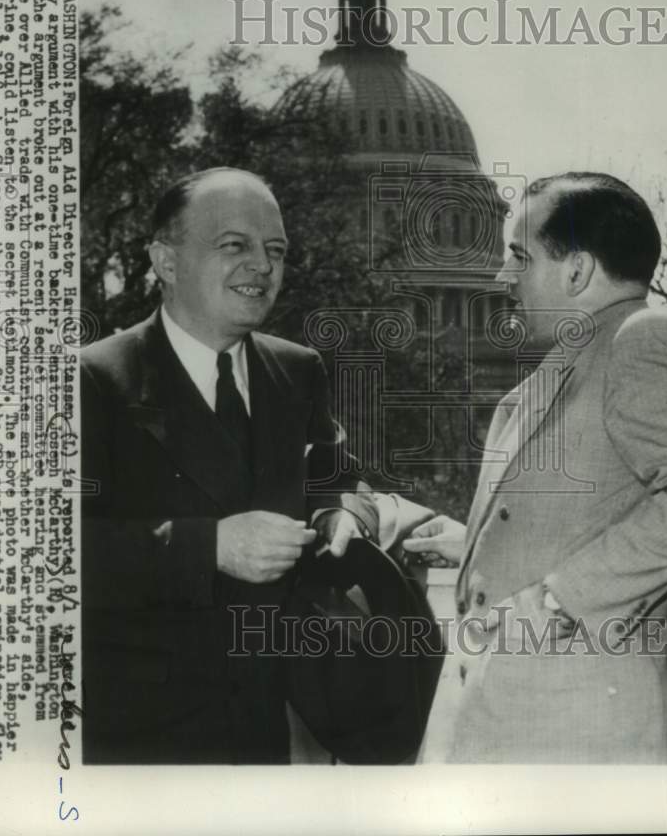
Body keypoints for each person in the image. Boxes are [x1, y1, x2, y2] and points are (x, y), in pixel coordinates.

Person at [80, 167, 432, 765]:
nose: (262, 267)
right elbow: (44, 557)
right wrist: (208, 546)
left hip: (272, 721)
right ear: (165, 262)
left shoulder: (298, 371)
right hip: (136, 741)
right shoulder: (91, 379)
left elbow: (337, 481)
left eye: (275, 251)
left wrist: (340, 517)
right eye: (234, 246)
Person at [404, 171, 667, 764]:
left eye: (519, 257)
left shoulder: (645, 337)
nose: (503, 278)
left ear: (577, 271)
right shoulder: (576, 357)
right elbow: (585, 504)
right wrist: (475, 542)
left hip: (583, 728)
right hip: (523, 713)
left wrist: (559, 600)